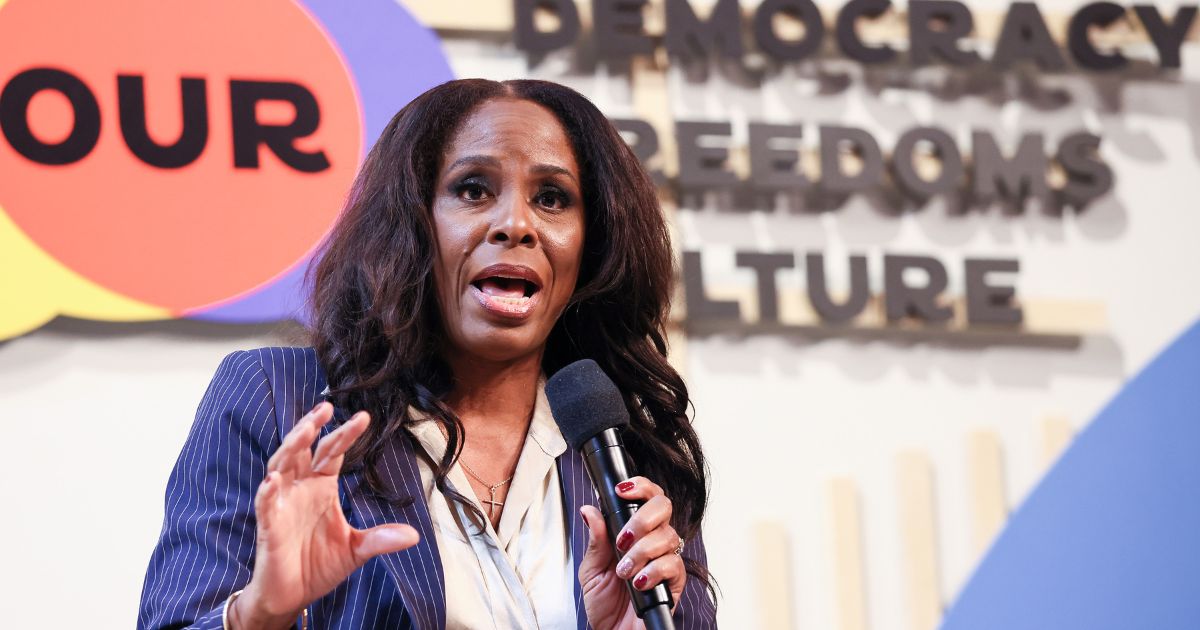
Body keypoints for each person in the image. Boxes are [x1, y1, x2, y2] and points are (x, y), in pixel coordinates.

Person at [137, 78, 716, 630]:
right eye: (473, 190)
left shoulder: (629, 454)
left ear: (593, 245)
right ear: (412, 222)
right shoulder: (282, 402)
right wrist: (259, 614)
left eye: (551, 198)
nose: (515, 224)